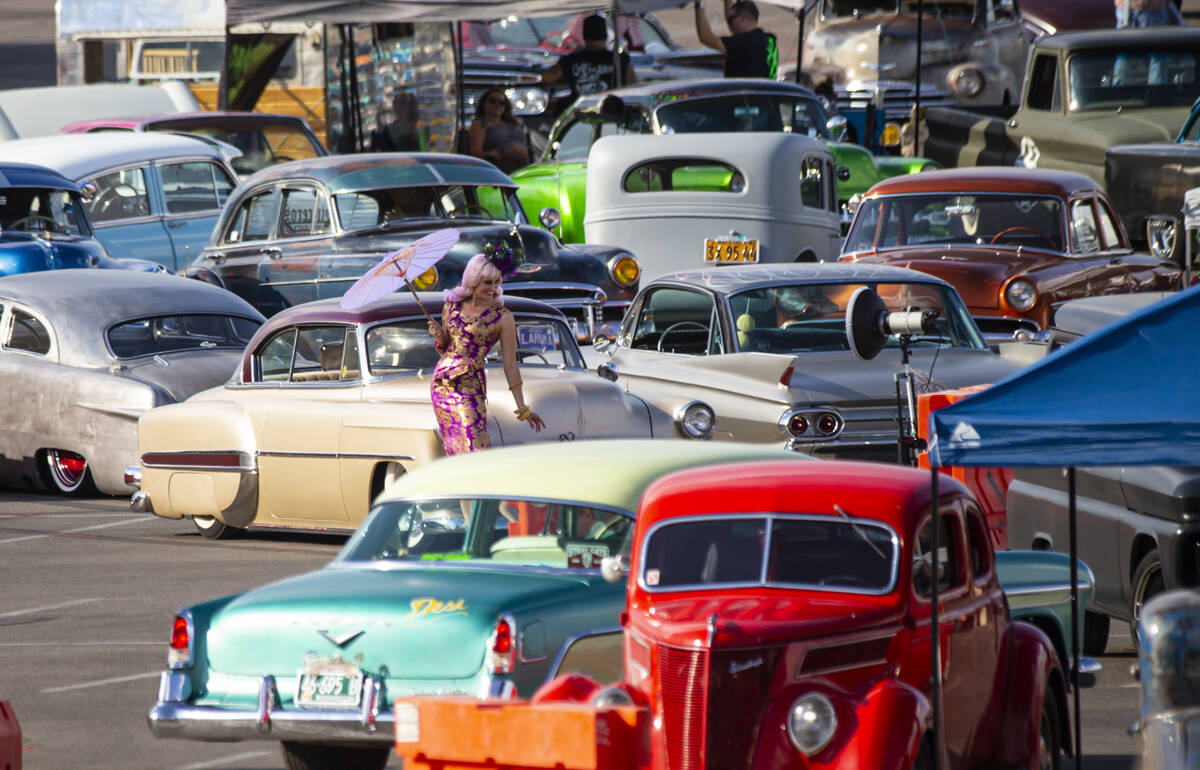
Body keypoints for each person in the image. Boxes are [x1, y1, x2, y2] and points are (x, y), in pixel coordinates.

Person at [427, 247, 545, 456]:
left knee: (476, 447)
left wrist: (522, 407)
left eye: (497, 282)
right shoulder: (451, 305)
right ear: (473, 281)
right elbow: (447, 348)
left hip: (471, 386)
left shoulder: (503, 317)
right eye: (487, 283)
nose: (493, 288)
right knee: (455, 448)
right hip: (442, 385)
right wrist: (439, 336)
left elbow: (510, 364)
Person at [539, 14, 637, 101]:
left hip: (581, 114)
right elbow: (633, 88)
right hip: (612, 113)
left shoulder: (570, 60)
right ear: (606, 35)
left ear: (584, 35)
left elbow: (546, 78)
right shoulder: (620, 60)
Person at [693, 0, 778, 79]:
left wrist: (699, 4)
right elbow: (733, 27)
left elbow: (706, 38)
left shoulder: (743, 43)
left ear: (741, 18)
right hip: (768, 92)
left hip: (746, 94)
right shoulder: (769, 39)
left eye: (731, 20)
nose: (730, 24)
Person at [468, 88, 530, 173]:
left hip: (523, 160)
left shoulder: (513, 123)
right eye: (492, 101)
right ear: (484, 104)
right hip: (500, 163)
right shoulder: (480, 124)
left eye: (502, 103)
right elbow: (476, 151)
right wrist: (490, 155)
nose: (497, 105)